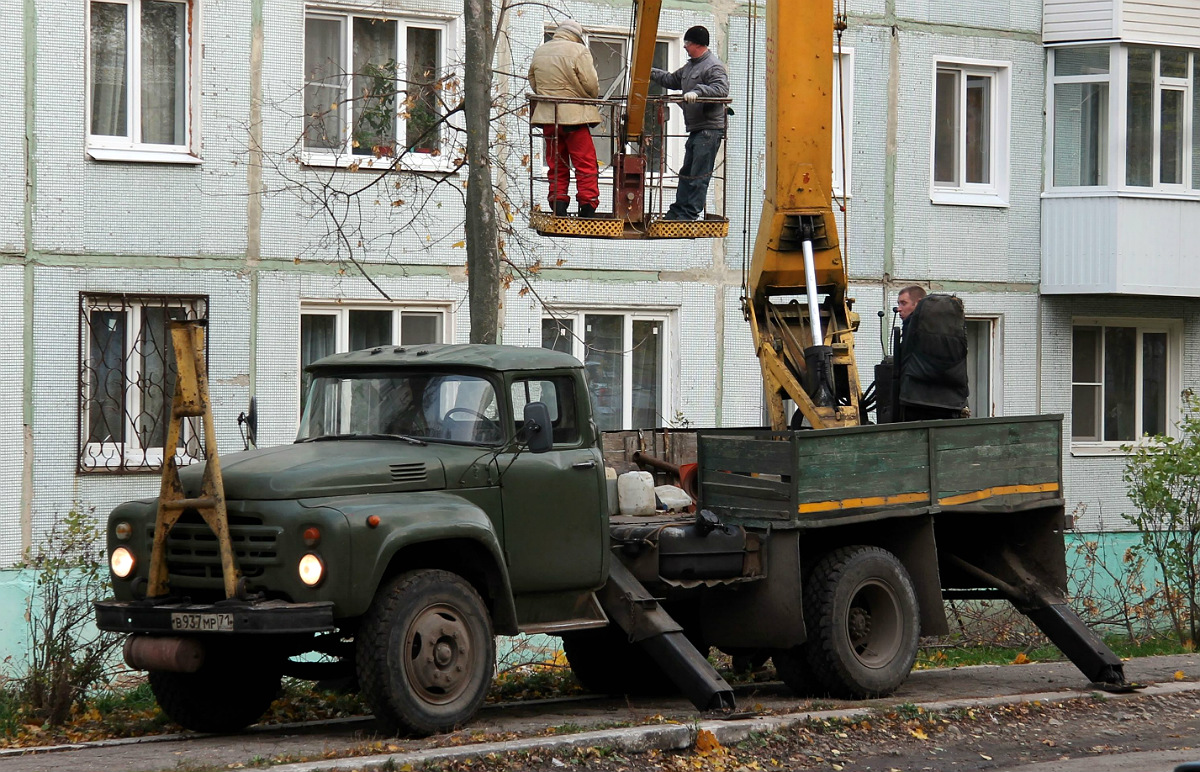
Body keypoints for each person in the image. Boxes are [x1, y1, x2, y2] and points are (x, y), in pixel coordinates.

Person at [650, 25, 730, 221]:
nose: (685, 47)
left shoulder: (713, 66)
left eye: (687, 43)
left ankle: (688, 213)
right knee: (687, 173)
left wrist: (699, 92)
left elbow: (721, 89)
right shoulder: (691, 66)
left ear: (698, 44)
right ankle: (678, 211)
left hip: (709, 129)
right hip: (697, 129)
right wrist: (648, 71)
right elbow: (671, 79)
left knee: (698, 174)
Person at [528, 20, 601, 218]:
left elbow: (534, 82)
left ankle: (558, 204)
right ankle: (587, 206)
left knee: (556, 162)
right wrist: (588, 98)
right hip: (574, 119)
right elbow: (591, 85)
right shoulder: (579, 50)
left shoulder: (540, 51)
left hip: (549, 118)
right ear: (576, 36)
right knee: (585, 162)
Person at [896, 289, 969, 421]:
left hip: (914, 401)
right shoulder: (952, 331)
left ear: (918, 304)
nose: (899, 309)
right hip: (953, 403)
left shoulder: (911, 328)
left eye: (903, 303)